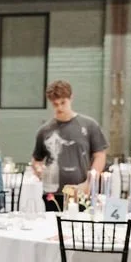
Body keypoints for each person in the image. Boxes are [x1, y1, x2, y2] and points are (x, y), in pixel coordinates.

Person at [32, 80, 108, 211]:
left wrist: (89, 182)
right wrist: (40, 171)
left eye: (63, 103)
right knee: (53, 228)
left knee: (79, 229)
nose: (59, 108)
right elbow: (36, 159)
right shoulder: (45, 131)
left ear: (71, 99)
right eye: (55, 104)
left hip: (81, 191)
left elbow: (100, 156)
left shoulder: (89, 125)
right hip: (53, 193)